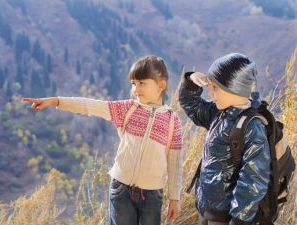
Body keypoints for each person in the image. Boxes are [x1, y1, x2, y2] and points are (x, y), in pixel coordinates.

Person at [22, 55, 183, 225]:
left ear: (161, 85)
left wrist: (175, 198)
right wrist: (56, 101)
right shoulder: (127, 109)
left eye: (142, 83)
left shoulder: (172, 121)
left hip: (152, 194)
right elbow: (90, 106)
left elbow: (175, 162)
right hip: (121, 189)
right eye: (133, 84)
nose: (136, 89)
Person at [179, 53, 270, 225]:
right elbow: (192, 105)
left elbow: (253, 179)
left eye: (215, 88)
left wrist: (238, 220)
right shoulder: (218, 113)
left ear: (233, 88)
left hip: (225, 216)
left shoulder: (252, 127)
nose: (211, 94)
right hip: (206, 207)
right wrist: (191, 81)